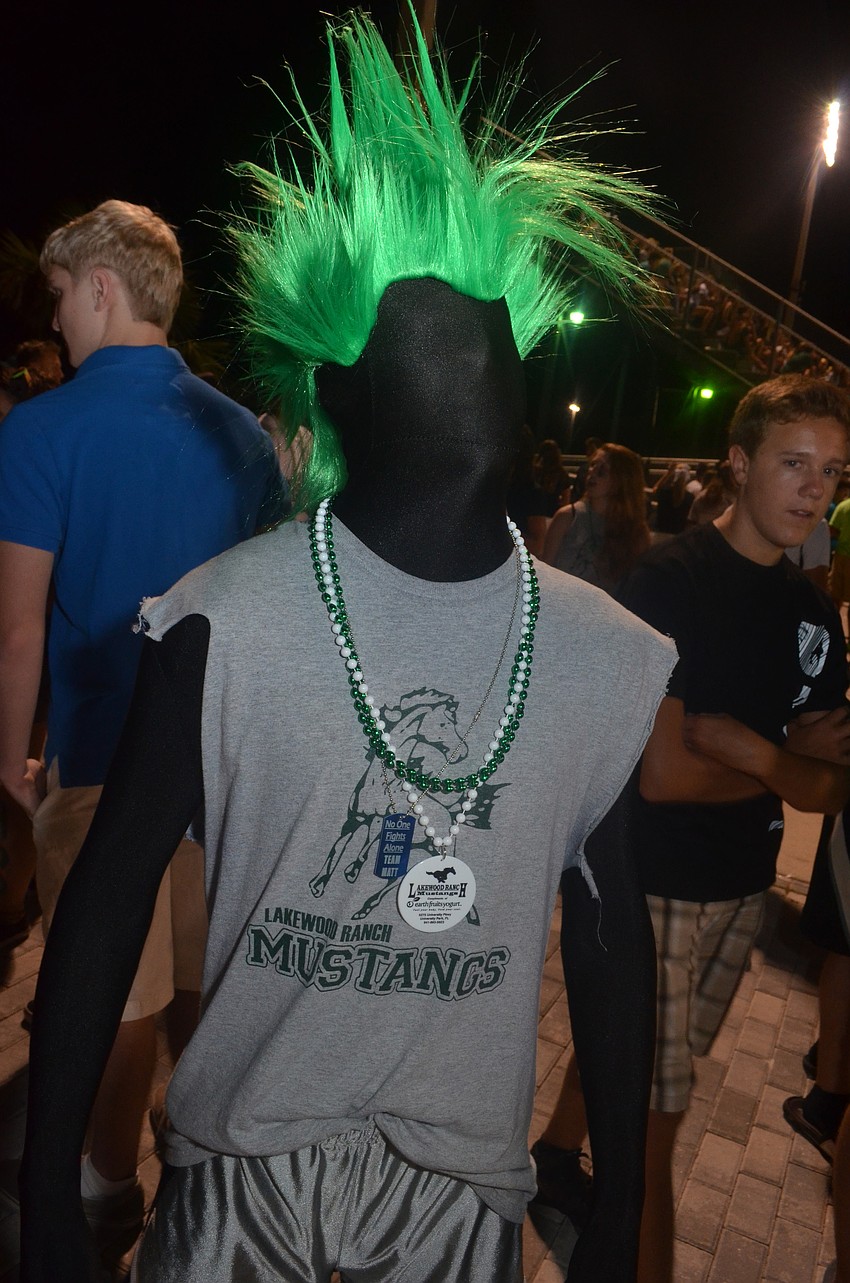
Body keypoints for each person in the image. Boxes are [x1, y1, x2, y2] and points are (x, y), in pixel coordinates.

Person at [18, 18, 676, 1283]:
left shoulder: (605, 655)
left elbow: (609, 937)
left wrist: (623, 1211)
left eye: (483, 328)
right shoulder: (220, 619)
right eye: (417, 328)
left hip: (464, 1200)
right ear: (338, 391)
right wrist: (51, 1194)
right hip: (236, 1183)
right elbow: (104, 906)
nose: (462, 359)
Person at [0, 200, 285, 1250]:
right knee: (202, 981)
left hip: (100, 752)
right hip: (226, 767)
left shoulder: (40, 427)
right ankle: (201, 1179)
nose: (61, 321)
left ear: (104, 288)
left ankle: (105, 1190)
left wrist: (12, 765)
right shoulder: (238, 433)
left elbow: (18, 629)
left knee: (110, 988)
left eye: (65, 297)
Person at [532, 375, 850, 1283]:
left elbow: (830, 790)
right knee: (652, 1133)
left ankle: (554, 1156)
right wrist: (788, 763)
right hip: (652, 885)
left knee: (633, 1064)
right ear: (741, 464)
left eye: (830, 471)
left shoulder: (812, 613)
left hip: (742, 890)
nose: (814, 489)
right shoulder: (666, 583)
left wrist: (763, 755)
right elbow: (661, 775)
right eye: (794, 464)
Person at [542, 442, 650, 594]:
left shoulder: (636, 531)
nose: (592, 473)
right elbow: (544, 574)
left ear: (621, 480)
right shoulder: (567, 517)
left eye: (602, 471)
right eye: (592, 465)